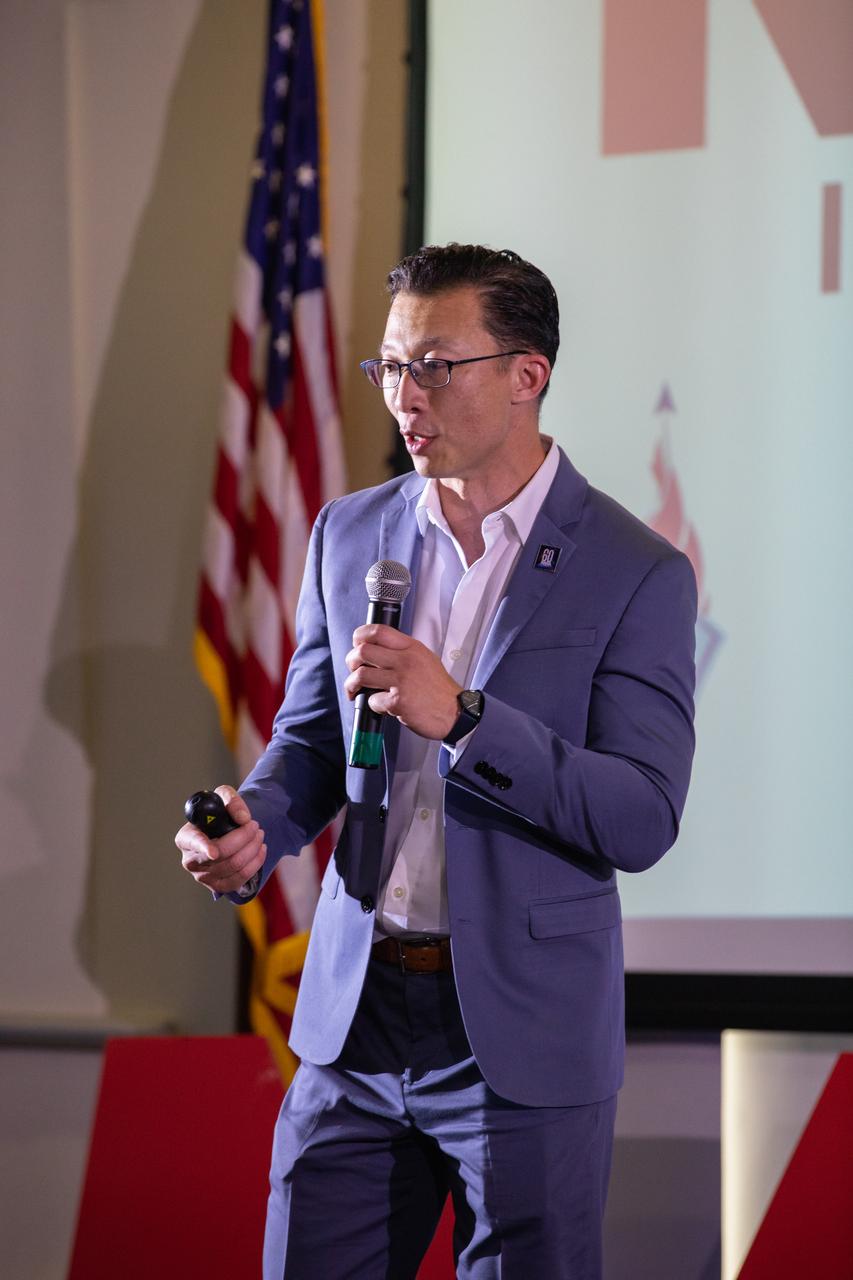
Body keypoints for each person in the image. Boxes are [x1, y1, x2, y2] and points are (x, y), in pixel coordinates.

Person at [176, 243, 697, 1279]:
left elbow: (639, 814)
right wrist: (256, 825)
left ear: (525, 374)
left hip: (516, 1034)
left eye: (433, 366)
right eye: (388, 369)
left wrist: (462, 716)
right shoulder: (348, 530)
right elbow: (316, 738)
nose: (403, 398)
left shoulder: (635, 569)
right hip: (355, 1018)